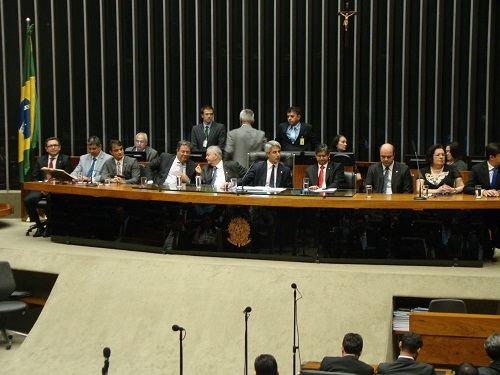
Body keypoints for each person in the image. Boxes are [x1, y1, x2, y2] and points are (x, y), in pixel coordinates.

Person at [23, 137, 72, 237]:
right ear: (46, 149)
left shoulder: (65, 159)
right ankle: (39, 225)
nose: (53, 148)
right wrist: (42, 188)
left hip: (57, 189)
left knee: (51, 200)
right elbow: (35, 178)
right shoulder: (41, 160)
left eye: (55, 145)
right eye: (50, 146)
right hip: (42, 188)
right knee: (28, 200)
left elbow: (68, 177)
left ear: (59, 147)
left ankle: (49, 227)